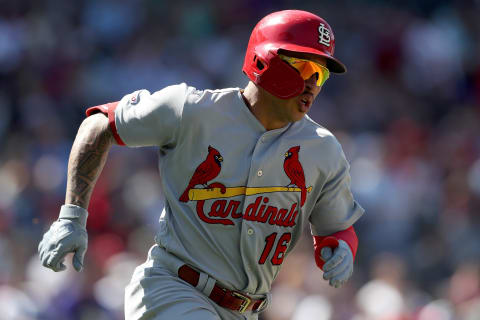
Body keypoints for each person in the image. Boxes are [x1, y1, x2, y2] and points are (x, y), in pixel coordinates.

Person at [38, 9, 364, 320]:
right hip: (174, 290)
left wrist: (341, 249)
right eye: (304, 68)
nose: (313, 84)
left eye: (320, 75)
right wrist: (72, 216)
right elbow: (99, 125)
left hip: (247, 310)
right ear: (264, 59)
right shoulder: (190, 110)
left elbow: (337, 228)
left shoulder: (323, 150)